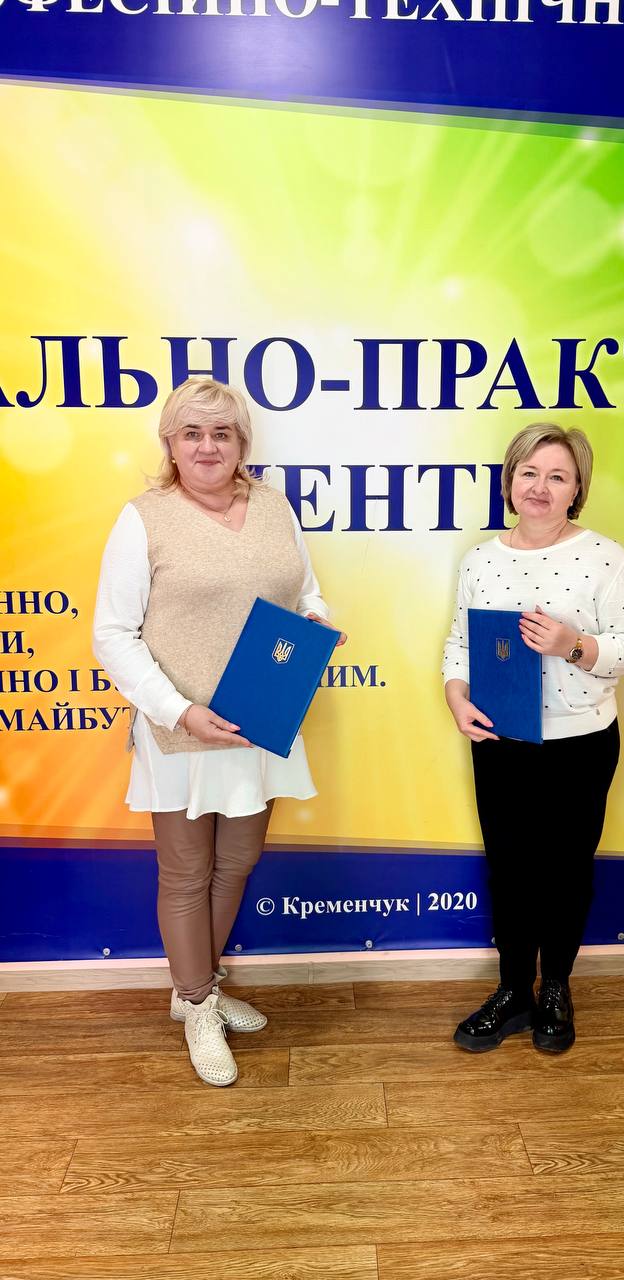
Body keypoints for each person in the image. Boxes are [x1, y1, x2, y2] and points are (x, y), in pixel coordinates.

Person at [94, 377, 344, 1086]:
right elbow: (112, 635)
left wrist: (317, 622)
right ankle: (198, 1005)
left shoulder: (273, 506)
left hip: (261, 721)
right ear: (170, 445)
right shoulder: (143, 519)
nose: (208, 447)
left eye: (222, 433)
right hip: (182, 730)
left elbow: (306, 591)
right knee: (186, 873)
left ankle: (195, 985)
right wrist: (178, 710)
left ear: (242, 444)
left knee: (236, 863)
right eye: (193, 433)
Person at [443, 423, 624, 1054]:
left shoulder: (604, 558)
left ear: (576, 490)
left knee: (566, 872)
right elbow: (459, 642)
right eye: (529, 473)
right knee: (509, 870)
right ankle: (513, 991)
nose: (540, 487)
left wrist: (574, 645)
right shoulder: (480, 559)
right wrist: (456, 694)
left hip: (579, 745)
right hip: (499, 740)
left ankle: (556, 987)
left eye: (557, 476)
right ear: (510, 481)